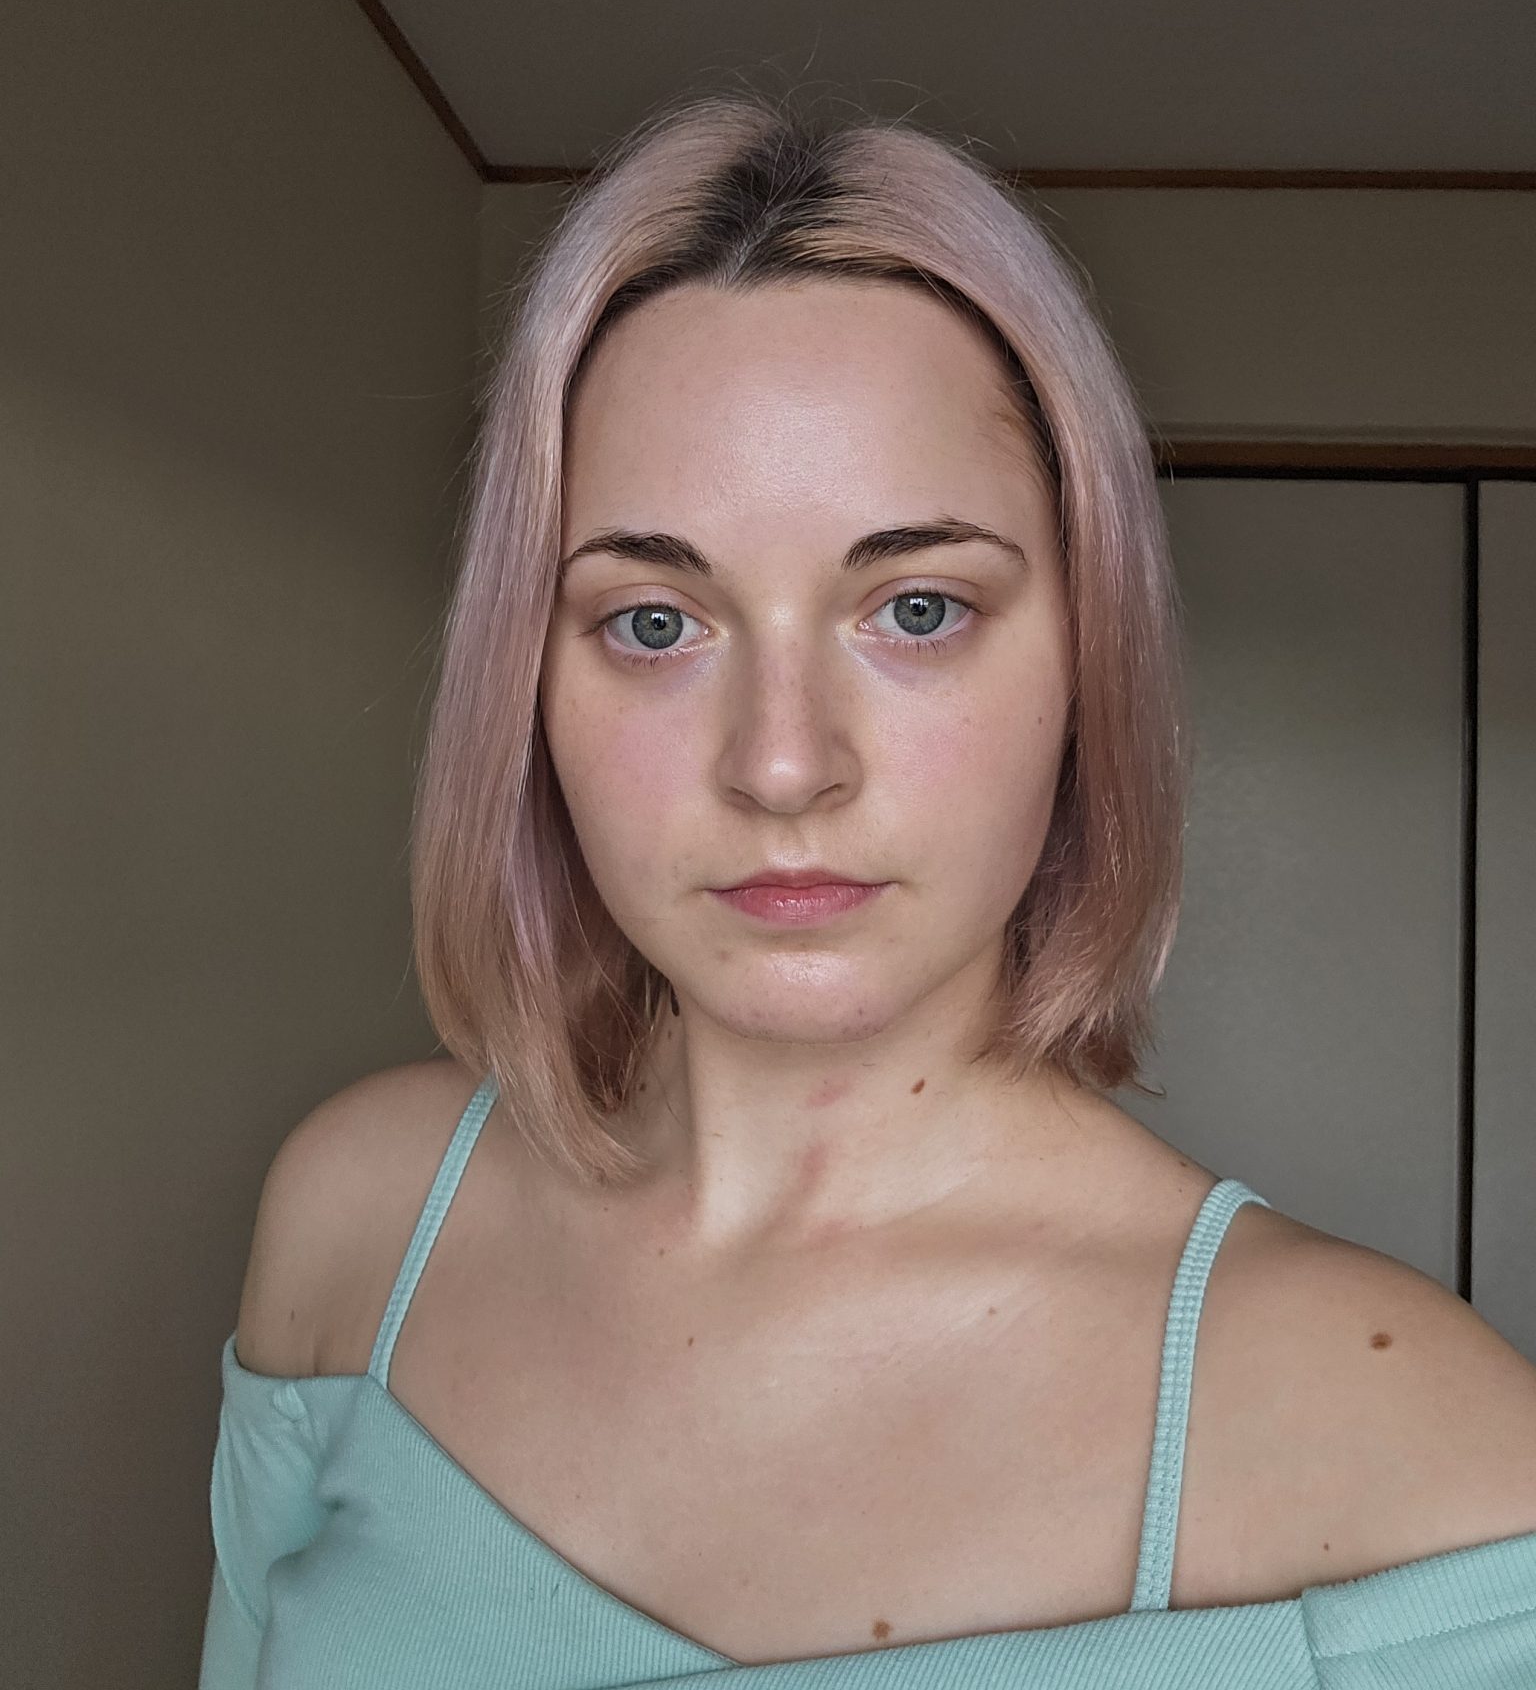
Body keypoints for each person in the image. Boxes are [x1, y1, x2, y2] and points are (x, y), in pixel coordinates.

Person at [198, 91, 1536, 1687]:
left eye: (916, 609)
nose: (782, 766)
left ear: (1088, 664)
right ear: (525, 686)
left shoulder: (1426, 1460)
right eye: (653, 623)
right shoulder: (361, 1220)